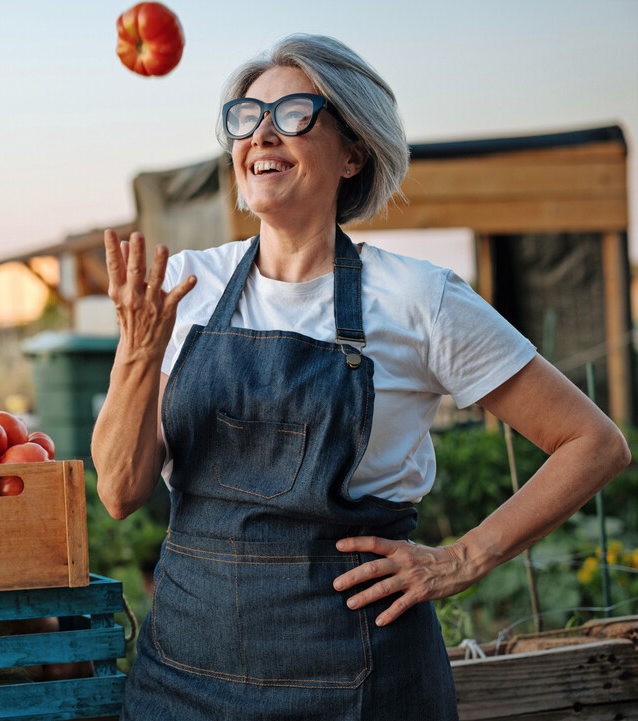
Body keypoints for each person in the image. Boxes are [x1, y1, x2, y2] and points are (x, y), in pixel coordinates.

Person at [91, 33, 630, 720]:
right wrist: (139, 351)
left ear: (354, 151)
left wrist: (462, 559)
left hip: (359, 682)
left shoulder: (418, 297)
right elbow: (118, 490)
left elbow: (594, 441)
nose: (263, 133)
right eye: (247, 116)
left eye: (292, 114)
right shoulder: (184, 287)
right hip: (184, 681)